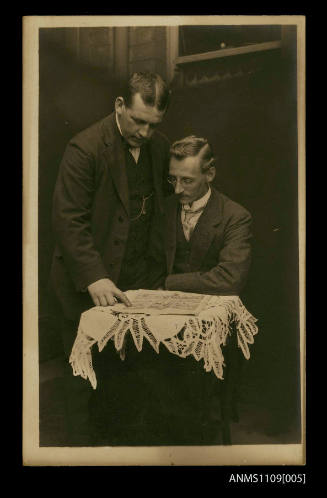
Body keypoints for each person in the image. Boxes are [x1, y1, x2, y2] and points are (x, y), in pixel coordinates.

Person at [49, 72, 171, 445]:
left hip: (136, 285)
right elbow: (67, 221)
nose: (145, 133)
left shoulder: (159, 146)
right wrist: (94, 276)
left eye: (153, 125)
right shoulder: (84, 149)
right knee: (85, 385)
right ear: (119, 106)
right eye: (138, 121)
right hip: (87, 286)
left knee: (128, 384)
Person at [149, 135, 252, 295]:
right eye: (173, 179)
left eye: (187, 181)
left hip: (213, 307)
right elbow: (151, 264)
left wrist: (169, 283)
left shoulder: (235, 216)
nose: (177, 190)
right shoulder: (164, 209)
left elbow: (230, 278)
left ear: (209, 174)